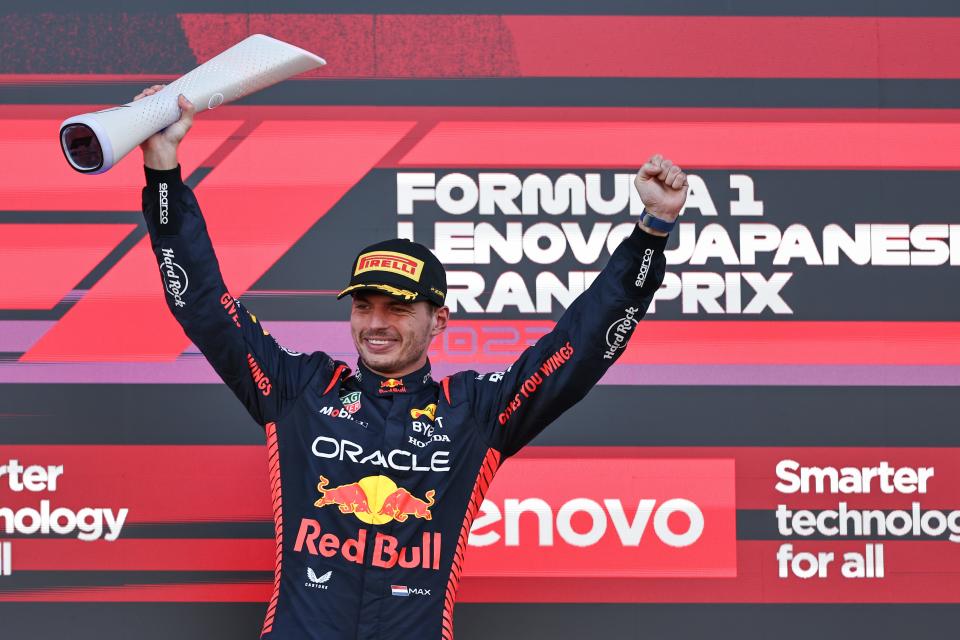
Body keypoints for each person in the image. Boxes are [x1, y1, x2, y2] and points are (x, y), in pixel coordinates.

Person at [136, 87, 688, 640]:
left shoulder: (475, 411)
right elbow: (204, 305)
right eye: (363, 306)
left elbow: (581, 345)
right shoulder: (300, 391)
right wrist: (163, 173)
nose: (376, 323)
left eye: (398, 308)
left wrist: (651, 234)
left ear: (439, 320)